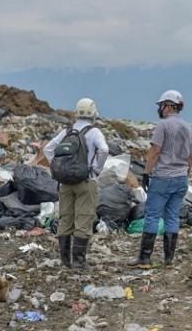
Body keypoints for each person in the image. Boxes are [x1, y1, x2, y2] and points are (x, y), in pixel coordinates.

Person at [129, 90, 192, 268]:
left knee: (152, 215)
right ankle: (168, 259)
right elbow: (190, 156)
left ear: (168, 106)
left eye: (161, 105)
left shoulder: (163, 126)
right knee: (172, 216)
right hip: (181, 178)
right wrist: (186, 174)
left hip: (163, 177)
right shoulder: (188, 127)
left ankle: (144, 258)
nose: (160, 109)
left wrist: (146, 173)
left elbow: (155, 151)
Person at [44, 98, 109, 269]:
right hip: (86, 180)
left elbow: (48, 149)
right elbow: (104, 150)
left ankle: (65, 261)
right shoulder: (94, 132)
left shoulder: (67, 131)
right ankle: (79, 261)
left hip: (65, 182)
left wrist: (58, 167)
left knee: (65, 218)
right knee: (84, 219)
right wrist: (96, 169)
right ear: (93, 113)